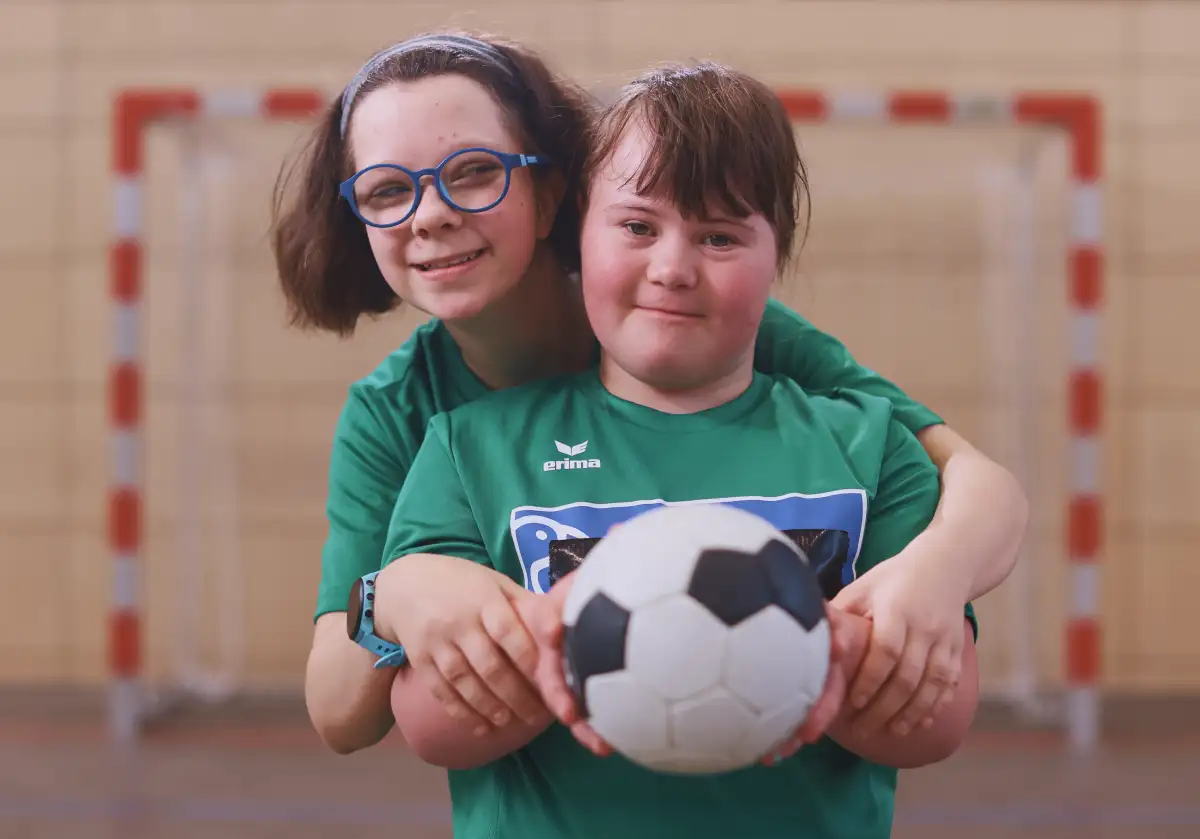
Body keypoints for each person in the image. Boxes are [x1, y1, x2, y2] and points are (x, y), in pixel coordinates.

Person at [268, 31, 1023, 757]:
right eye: (388, 189)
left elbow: (976, 479)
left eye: (473, 170)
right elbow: (341, 716)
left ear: (552, 190)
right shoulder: (404, 412)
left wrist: (938, 569)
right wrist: (395, 593)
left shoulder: (691, 324)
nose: (430, 212)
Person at [376, 60, 979, 839]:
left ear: (777, 258)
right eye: (636, 227)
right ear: (578, 239)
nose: (672, 267)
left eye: (720, 236)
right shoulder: (468, 447)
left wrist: (808, 656)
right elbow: (431, 728)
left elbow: (938, 723)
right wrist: (559, 642)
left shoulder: (870, 449)